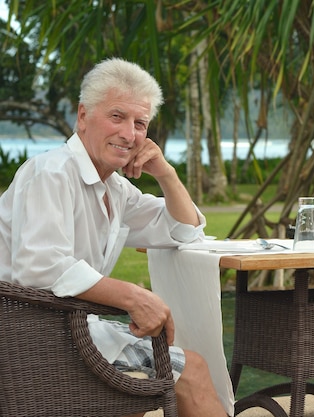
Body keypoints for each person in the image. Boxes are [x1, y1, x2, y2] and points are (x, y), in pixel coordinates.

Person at [0, 58, 227, 417]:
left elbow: (184, 229)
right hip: (32, 338)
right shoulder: (52, 173)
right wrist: (133, 297)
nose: (129, 134)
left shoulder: (115, 187)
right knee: (193, 369)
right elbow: (39, 268)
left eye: (140, 123)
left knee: (140, 389)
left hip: (69, 329)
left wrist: (165, 173)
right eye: (117, 117)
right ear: (83, 115)